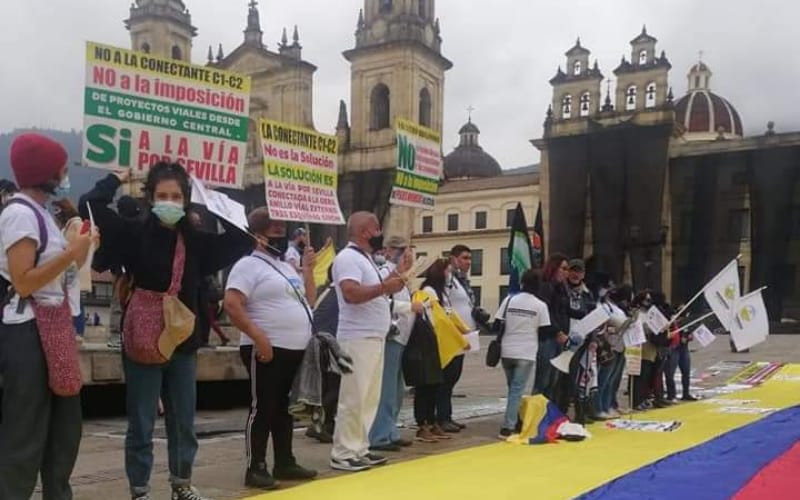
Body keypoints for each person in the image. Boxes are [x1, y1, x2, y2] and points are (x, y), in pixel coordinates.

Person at [80, 163, 253, 500]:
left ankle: (181, 483)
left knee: (183, 421)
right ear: (150, 198)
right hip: (143, 339)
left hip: (182, 341)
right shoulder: (132, 233)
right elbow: (92, 202)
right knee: (142, 421)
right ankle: (140, 489)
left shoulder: (197, 242)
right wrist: (116, 178)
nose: (169, 202)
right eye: (162, 196)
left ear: (187, 200)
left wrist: (213, 199)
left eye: (176, 196)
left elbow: (240, 239)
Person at [0, 133, 94, 499]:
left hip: (52, 327)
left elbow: (60, 276)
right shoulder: (20, 213)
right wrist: (72, 253)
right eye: (63, 168)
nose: (65, 175)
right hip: (27, 331)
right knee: (26, 431)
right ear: (47, 172)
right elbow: (24, 282)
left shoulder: (41, 213)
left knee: (64, 428)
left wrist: (81, 251)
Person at [224, 207, 318, 490]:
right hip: (265, 347)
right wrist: (258, 336)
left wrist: (309, 271)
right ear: (258, 235)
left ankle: (285, 461)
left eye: (281, 231)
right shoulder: (247, 266)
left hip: (292, 348)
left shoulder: (286, 266)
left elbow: (308, 299)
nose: (280, 236)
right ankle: (256, 466)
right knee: (262, 407)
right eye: (273, 232)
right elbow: (232, 304)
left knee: (282, 408)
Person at [329, 212, 406, 472]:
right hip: (356, 337)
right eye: (377, 229)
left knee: (369, 397)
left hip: (373, 336)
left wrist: (396, 276)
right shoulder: (348, 258)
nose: (380, 234)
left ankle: (359, 447)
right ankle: (343, 452)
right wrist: (385, 288)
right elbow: (351, 293)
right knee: (353, 396)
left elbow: (378, 287)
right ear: (364, 232)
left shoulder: (366, 260)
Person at [369, 236, 422, 452]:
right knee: (387, 389)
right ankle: (379, 435)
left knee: (397, 390)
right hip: (391, 336)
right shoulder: (384, 273)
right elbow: (383, 301)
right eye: (400, 250)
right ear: (388, 251)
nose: (404, 254)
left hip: (401, 338)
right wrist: (410, 307)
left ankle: (390, 430)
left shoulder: (401, 276)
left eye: (406, 249)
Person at [418, 259, 470, 441]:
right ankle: (426, 423)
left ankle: (437, 421)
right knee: (430, 386)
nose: (450, 275)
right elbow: (439, 319)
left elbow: (450, 315)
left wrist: (464, 332)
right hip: (433, 344)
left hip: (445, 344)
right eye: (447, 271)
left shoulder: (443, 293)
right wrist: (458, 336)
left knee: (442, 384)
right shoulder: (428, 291)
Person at [494, 269, 551, 438]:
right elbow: (545, 331)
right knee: (516, 390)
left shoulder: (509, 300)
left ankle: (517, 420)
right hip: (526, 352)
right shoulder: (540, 305)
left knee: (512, 388)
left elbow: (497, 323)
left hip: (507, 350)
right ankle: (508, 427)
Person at [440, 244, 483, 432]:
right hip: (452, 335)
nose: (468, 262)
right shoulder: (448, 279)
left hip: (464, 337)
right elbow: (445, 305)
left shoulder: (463, 281)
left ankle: (446, 415)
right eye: (464, 258)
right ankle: (441, 417)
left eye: (470, 258)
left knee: (454, 377)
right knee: (447, 377)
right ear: (454, 258)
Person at [307, 267, 339, 443]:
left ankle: (327, 423)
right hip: (330, 344)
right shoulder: (337, 294)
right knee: (335, 387)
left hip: (319, 342)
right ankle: (318, 425)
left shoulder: (326, 291)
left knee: (328, 386)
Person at [534, 254, 570, 399]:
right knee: (543, 378)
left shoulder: (561, 288)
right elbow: (546, 312)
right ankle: (535, 413)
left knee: (553, 379)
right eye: (564, 268)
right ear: (554, 268)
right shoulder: (546, 287)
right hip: (547, 337)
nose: (566, 272)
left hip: (558, 336)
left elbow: (564, 311)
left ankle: (547, 413)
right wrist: (558, 331)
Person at [53, 198, 86, 342]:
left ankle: (78, 330)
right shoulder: (67, 226)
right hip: (66, 266)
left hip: (72, 267)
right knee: (71, 299)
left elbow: (78, 245)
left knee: (74, 300)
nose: (55, 213)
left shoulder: (75, 224)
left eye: (57, 209)